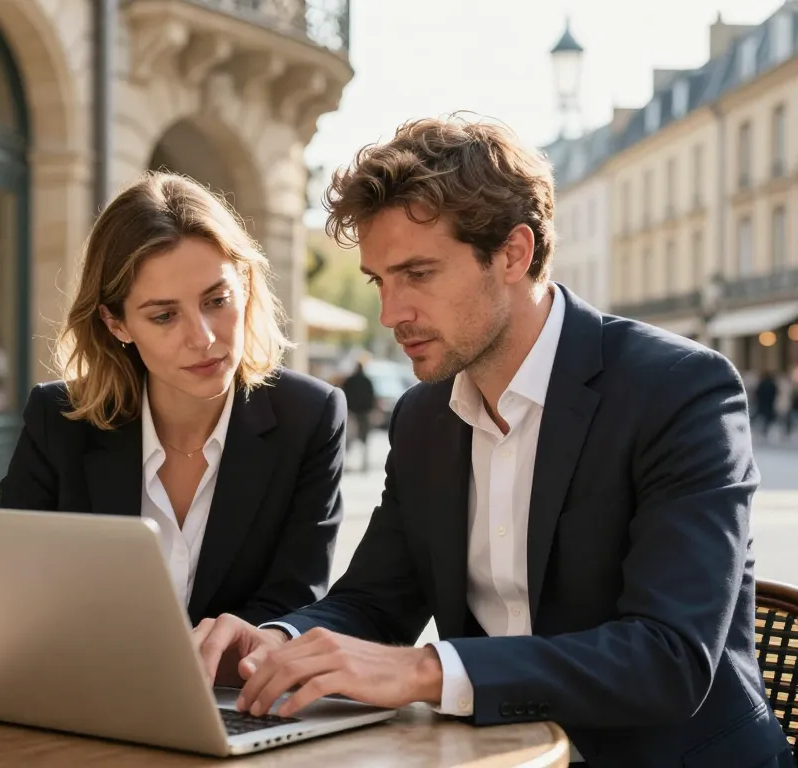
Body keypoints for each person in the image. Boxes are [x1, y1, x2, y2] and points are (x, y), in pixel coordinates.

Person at [193, 117, 792, 767]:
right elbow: (373, 603)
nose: (391, 313)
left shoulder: (678, 390)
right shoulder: (424, 416)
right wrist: (276, 642)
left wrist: (425, 671)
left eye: (417, 274)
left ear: (514, 253)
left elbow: (668, 659)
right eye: (379, 281)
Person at [0, 171, 348, 680]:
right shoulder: (60, 419)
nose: (202, 338)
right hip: (82, 697)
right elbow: (8, 589)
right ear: (117, 325)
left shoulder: (310, 416)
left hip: (230, 705)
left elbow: (292, 599)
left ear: (244, 286)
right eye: (163, 316)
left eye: (216, 300)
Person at [340, 359, 376, 471]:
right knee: (363, 439)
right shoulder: (367, 381)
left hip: (351, 412)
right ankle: (363, 464)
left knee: (348, 438)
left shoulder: (349, 381)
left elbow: (343, 394)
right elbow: (371, 397)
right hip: (363, 412)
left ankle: (344, 462)